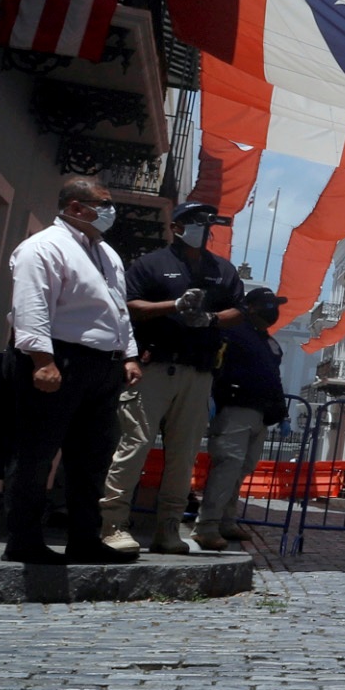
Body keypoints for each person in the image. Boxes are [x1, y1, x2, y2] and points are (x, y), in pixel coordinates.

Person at [2, 178, 137, 565]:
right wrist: (42, 360)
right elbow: (32, 306)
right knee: (35, 454)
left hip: (100, 366)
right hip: (57, 360)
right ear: (77, 208)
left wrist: (127, 354)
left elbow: (117, 308)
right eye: (104, 204)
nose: (111, 212)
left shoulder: (107, 254)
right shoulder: (43, 248)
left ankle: (84, 538)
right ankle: (23, 540)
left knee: (92, 458)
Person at [106, 201, 243, 554]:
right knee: (133, 446)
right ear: (177, 227)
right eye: (195, 223)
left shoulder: (222, 270)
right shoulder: (151, 264)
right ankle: (112, 524)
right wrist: (174, 306)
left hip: (197, 372)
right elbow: (129, 305)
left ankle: (168, 529)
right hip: (154, 367)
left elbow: (238, 310)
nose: (202, 229)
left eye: (207, 224)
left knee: (183, 457)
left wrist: (211, 319)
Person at [197, 287, 290, 551]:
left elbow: (274, 379)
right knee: (228, 466)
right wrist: (211, 395)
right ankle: (207, 525)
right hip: (235, 407)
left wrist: (281, 413)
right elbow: (217, 363)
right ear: (251, 307)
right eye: (268, 305)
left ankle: (227, 520)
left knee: (242, 469)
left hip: (261, 413)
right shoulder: (234, 332)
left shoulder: (267, 341)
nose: (274, 311)